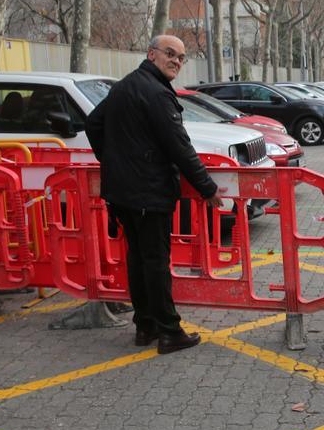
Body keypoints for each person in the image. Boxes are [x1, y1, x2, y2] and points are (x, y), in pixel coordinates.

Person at [86, 35, 222, 355]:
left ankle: (145, 326)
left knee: (138, 258)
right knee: (155, 262)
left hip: (122, 191)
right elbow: (180, 147)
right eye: (170, 54)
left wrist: (113, 161)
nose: (176, 60)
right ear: (152, 54)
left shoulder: (124, 86)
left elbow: (94, 124)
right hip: (147, 191)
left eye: (182, 57)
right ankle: (169, 332)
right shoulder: (156, 93)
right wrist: (208, 188)